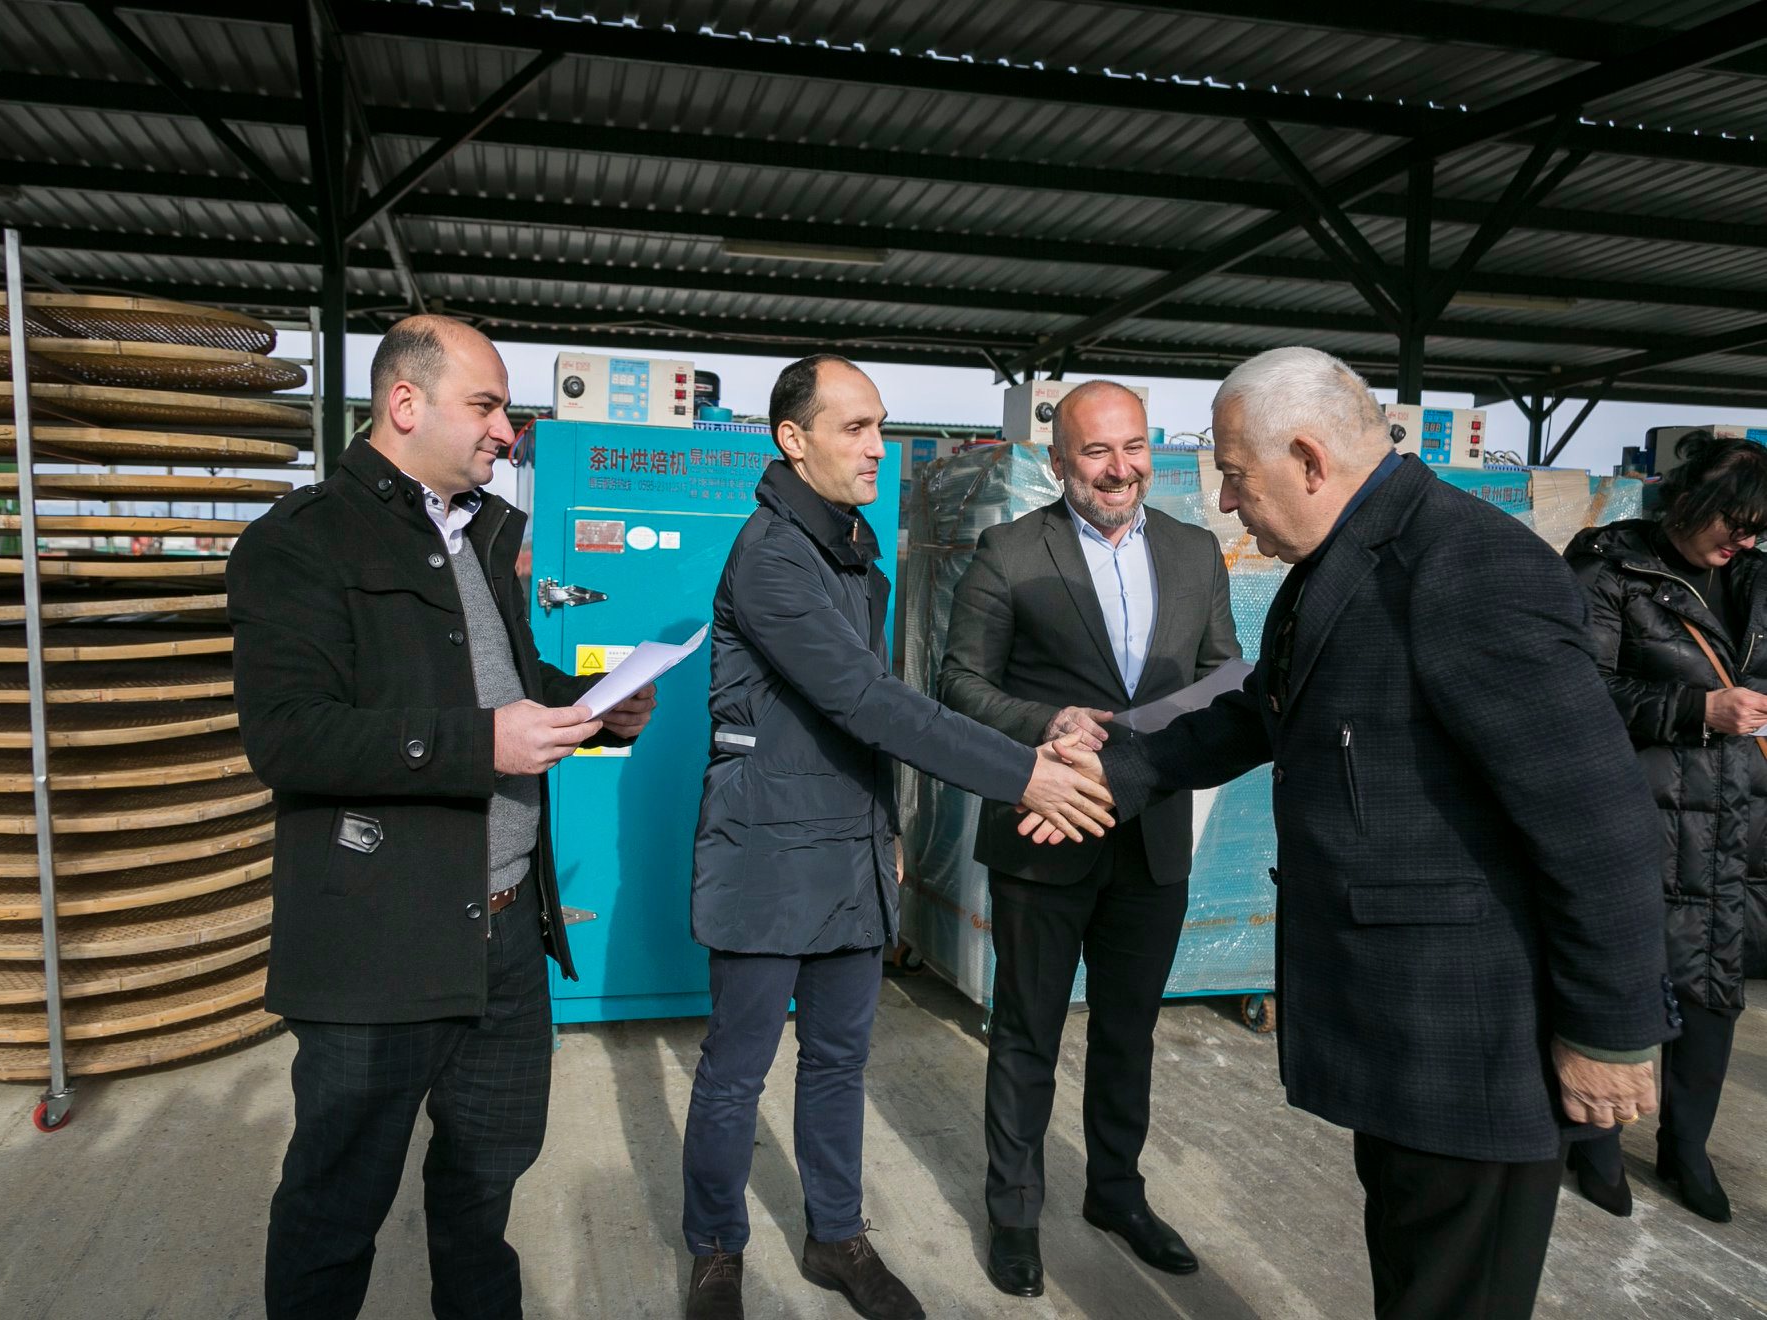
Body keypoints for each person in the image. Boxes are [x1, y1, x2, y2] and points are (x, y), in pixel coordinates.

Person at [1026, 346, 1676, 1320]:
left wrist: (1609, 1032)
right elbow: (1263, 707)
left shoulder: (1466, 568)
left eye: (1235, 477)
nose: (1227, 504)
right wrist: (1115, 772)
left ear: (1307, 459)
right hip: (1405, 1039)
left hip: (1470, 1049)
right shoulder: (1350, 555)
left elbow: (1598, 819)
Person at [230, 315, 658, 1320]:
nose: (507, 430)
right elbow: (287, 736)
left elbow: (492, 682)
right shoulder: (299, 542)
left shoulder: (477, 533)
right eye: (486, 406)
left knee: (483, 1188)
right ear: (404, 404)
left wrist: (589, 706)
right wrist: (482, 745)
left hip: (505, 935)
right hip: (379, 942)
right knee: (336, 1207)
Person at [680, 354, 1117, 1320]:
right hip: (767, 851)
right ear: (793, 440)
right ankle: (715, 1249)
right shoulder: (773, 557)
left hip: (849, 846)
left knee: (840, 1060)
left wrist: (896, 826)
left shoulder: (848, 549)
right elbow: (870, 702)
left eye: (881, 425)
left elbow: (871, 721)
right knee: (736, 1070)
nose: (881, 447)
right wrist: (1024, 773)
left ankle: (836, 1236)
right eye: (856, 428)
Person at [938, 380, 1239, 1297]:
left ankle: (1116, 1193)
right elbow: (959, 683)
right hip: (1046, 831)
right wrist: (1047, 721)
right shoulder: (1010, 551)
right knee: (1026, 1032)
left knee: (1128, 1034)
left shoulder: (1194, 552)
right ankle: (1014, 1213)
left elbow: (1225, 675)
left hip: (1152, 836)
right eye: (1097, 452)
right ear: (1060, 460)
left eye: (1134, 447)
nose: (1119, 469)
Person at [1563, 429, 1767, 1223]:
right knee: (1622, 980)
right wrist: (1696, 709)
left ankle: (1688, 1149)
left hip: (1735, 823)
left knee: (1714, 990)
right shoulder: (1612, 570)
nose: (1743, 541)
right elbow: (1574, 693)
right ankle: (1596, 1146)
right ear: (1691, 500)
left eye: (1756, 531)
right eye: (1734, 524)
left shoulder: (1755, 580)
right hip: (1637, 817)